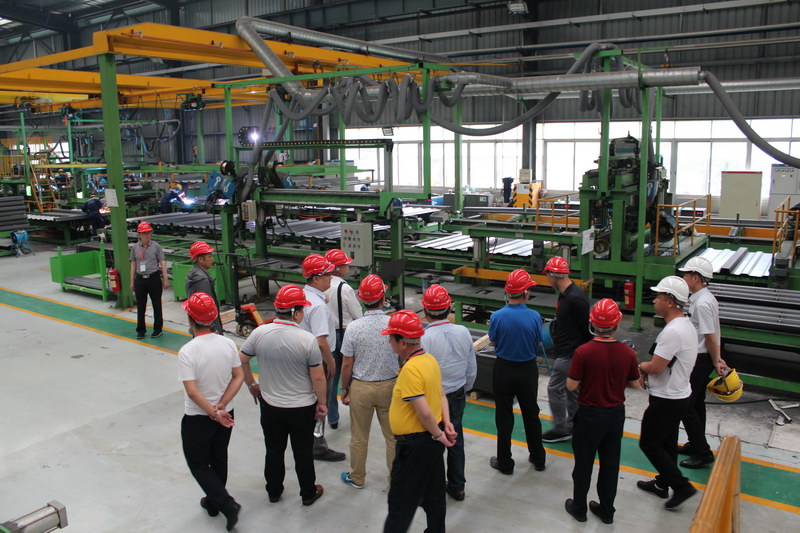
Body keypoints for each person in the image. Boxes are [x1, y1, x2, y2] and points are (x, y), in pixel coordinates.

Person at [238, 285, 328, 507]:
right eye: (302, 310)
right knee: (302, 452)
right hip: (302, 408)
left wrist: (251, 384)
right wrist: (322, 403)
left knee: (274, 450)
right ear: (296, 312)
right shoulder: (307, 339)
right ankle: (308, 493)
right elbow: (318, 377)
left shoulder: (260, 333)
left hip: (270, 405)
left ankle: (274, 491)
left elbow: (241, 360)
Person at [564, 299, 640, 524]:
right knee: (610, 464)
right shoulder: (627, 353)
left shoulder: (583, 352)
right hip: (615, 415)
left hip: (589, 414)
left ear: (592, 324)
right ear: (616, 325)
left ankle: (579, 508)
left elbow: (571, 385)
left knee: (584, 463)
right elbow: (635, 384)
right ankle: (607, 511)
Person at [382, 310, 456, 533]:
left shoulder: (411, 369)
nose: (389, 341)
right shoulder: (429, 360)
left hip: (415, 445)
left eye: (391, 337)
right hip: (430, 441)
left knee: (400, 501)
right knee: (434, 495)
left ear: (403, 342)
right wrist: (446, 423)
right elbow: (441, 394)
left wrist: (438, 435)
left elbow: (424, 413)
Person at [178, 292, 244, 531]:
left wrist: (213, 412)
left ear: (190, 319)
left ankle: (226, 504)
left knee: (198, 463)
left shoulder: (188, 351)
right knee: (218, 457)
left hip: (198, 417)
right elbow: (238, 376)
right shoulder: (228, 343)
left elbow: (193, 392)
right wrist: (222, 405)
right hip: (227, 414)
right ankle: (214, 502)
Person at [637, 276, 699, 509]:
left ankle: (682, 486)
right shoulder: (684, 325)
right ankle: (663, 484)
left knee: (649, 444)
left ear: (670, 302)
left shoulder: (672, 332)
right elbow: (666, 363)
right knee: (667, 443)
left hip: (666, 399)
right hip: (678, 395)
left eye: (658, 297)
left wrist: (640, 367)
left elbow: (656, 366)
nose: (654, 301)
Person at [339, 275, 399, 489]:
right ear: (383, 299)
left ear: (362, 300)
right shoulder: (393, 324)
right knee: (393, 437)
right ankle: (396, 481)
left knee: (359, 437)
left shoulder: (354, 328)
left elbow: (347, 363)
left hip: (361, 388)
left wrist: (345, 389)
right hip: (390, 387)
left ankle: (357, 477)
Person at [420, 284, 476, 501]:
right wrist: (466, 387)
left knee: (433, 440)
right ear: (449, 308)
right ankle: (457, 486)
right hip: (458, 392)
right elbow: (471, 366)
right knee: (455, 439)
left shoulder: (425, 338)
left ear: (425, 311)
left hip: (434, 399)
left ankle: (433, 487)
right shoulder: (463, 332)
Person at [488, 269, 546, 475]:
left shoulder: (497, 317)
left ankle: (505, 462)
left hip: (504, 369)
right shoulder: (534, 316)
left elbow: (493, 342)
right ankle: (538, 457)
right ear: (526, 293)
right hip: (527, 370)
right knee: (531, 413)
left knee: (504, 415)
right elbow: (538, 343)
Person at [678, 256, 728, 469]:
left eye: (686, 274)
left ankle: (702, 452)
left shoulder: (703, 303)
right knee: (697, 402)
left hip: (700, 358)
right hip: (699, 356)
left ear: (696, 278)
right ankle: (696, 443)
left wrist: (716, 360)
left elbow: (710, 336)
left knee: (685, 405)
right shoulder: (699, 298)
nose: (683, 278)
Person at [300, 253, 347, 462]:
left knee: (308, 401)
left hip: (303, 358)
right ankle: (317, 446)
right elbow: (321, 340)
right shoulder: (317, 306)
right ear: (316, 278)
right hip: (318, 360)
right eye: (327, 274)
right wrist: (331, 362)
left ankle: (305, 440)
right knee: (321, 403)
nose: (331, 277)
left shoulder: (305, 296)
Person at [541, 256, 591, 443]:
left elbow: (586, 329)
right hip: (566, 350)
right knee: (571, 390)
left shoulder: (575, 298)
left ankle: (562, 428)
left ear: (553, 275)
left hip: (571, 353)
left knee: (555, 388)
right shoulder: (565, 295)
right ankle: (574, 426)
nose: (547, 280)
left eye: (548, 276)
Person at [324, 248, 363, 430]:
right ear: (338, 268)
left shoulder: (322, 286)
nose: (348, 266)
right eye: (345, 264)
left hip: (328, 335)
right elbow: (358, 315)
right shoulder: (344, 288)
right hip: (346, 333)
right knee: (353, 376)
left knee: (331, 378)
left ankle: (332, 418)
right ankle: (357, 414)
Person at [130, 221, 168, 339]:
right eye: (144, 233)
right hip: (140, 280)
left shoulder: (156, 246)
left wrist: (165, 278)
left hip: (153, 279)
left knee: (157, 305)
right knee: (141, 306)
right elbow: (133, 263)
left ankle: (158, 329)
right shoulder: (135, 247)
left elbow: (162, 261)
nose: (147, 235)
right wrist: (132, 281)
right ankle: (141, 330)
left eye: (148, 233)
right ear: (139, 235)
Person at [186, 241, 223, 335]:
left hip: (197, 326)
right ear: (200, 259)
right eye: (209, 257)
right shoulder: (202, 280)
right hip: (206, 330)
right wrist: (213, 329)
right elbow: (206, 308)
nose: (212, 259)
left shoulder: (194, 273)